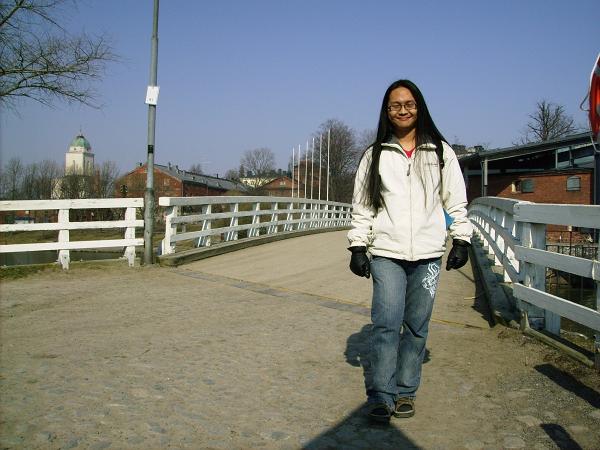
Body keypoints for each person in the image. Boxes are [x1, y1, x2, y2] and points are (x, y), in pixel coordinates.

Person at [347, 79, 473, 423]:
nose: (402, 110)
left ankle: (405, 391)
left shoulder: (441, 152)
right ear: (386, 111)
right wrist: (357, 245)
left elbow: (455, 202)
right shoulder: (374, 155)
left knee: (417, 326)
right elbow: (363, 206)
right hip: (387, 252)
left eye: (409, 104)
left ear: (419, 107)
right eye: (395, 105)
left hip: (428, 255)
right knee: (386, 323)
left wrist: (461, 240)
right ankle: (381, 395)